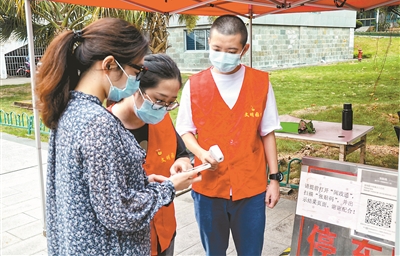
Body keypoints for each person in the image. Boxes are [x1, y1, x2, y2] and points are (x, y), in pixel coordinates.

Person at [35, 18, 200, 255]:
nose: (138, 78)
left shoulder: (69, 109)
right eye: (137, 70)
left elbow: (94, 190)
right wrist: (169, 188)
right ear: (111, 64)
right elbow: (118, 213)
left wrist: (140, 183)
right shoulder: (98, 123)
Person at [176, 14, 282, 256]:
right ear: (209, 44)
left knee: (251, 251)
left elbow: (267, 134)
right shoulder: (194, 85)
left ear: (244, 49)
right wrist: (202, 153)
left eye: (231, 50)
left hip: (251, 188)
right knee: (214, 251)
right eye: (216, 48)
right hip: (209, 189)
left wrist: (274, 179)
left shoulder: (261, 83)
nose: (222, 55)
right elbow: (185, 131)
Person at [107, 53, 191, 256]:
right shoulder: (106, 129)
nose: (163, 109)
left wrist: (183, 163)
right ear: (136, 88)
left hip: (164, 231)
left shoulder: (160, 117)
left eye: (170, 102)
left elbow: (181, 153)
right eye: (159, 100)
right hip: (128, 244)